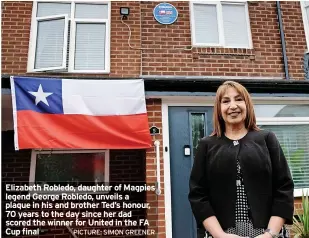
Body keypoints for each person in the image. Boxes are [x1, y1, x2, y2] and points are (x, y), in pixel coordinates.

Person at [188, 81, 294, 238]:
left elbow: (284, 188)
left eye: (238, 99)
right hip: (221, 234)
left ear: (247, 104)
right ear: (219, 109)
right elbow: (198, 195)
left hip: (267, 233)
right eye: (225, 101)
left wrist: (270, 234)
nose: (232, 106)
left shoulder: (267, 139)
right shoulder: (207, 145)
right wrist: (220, 235)